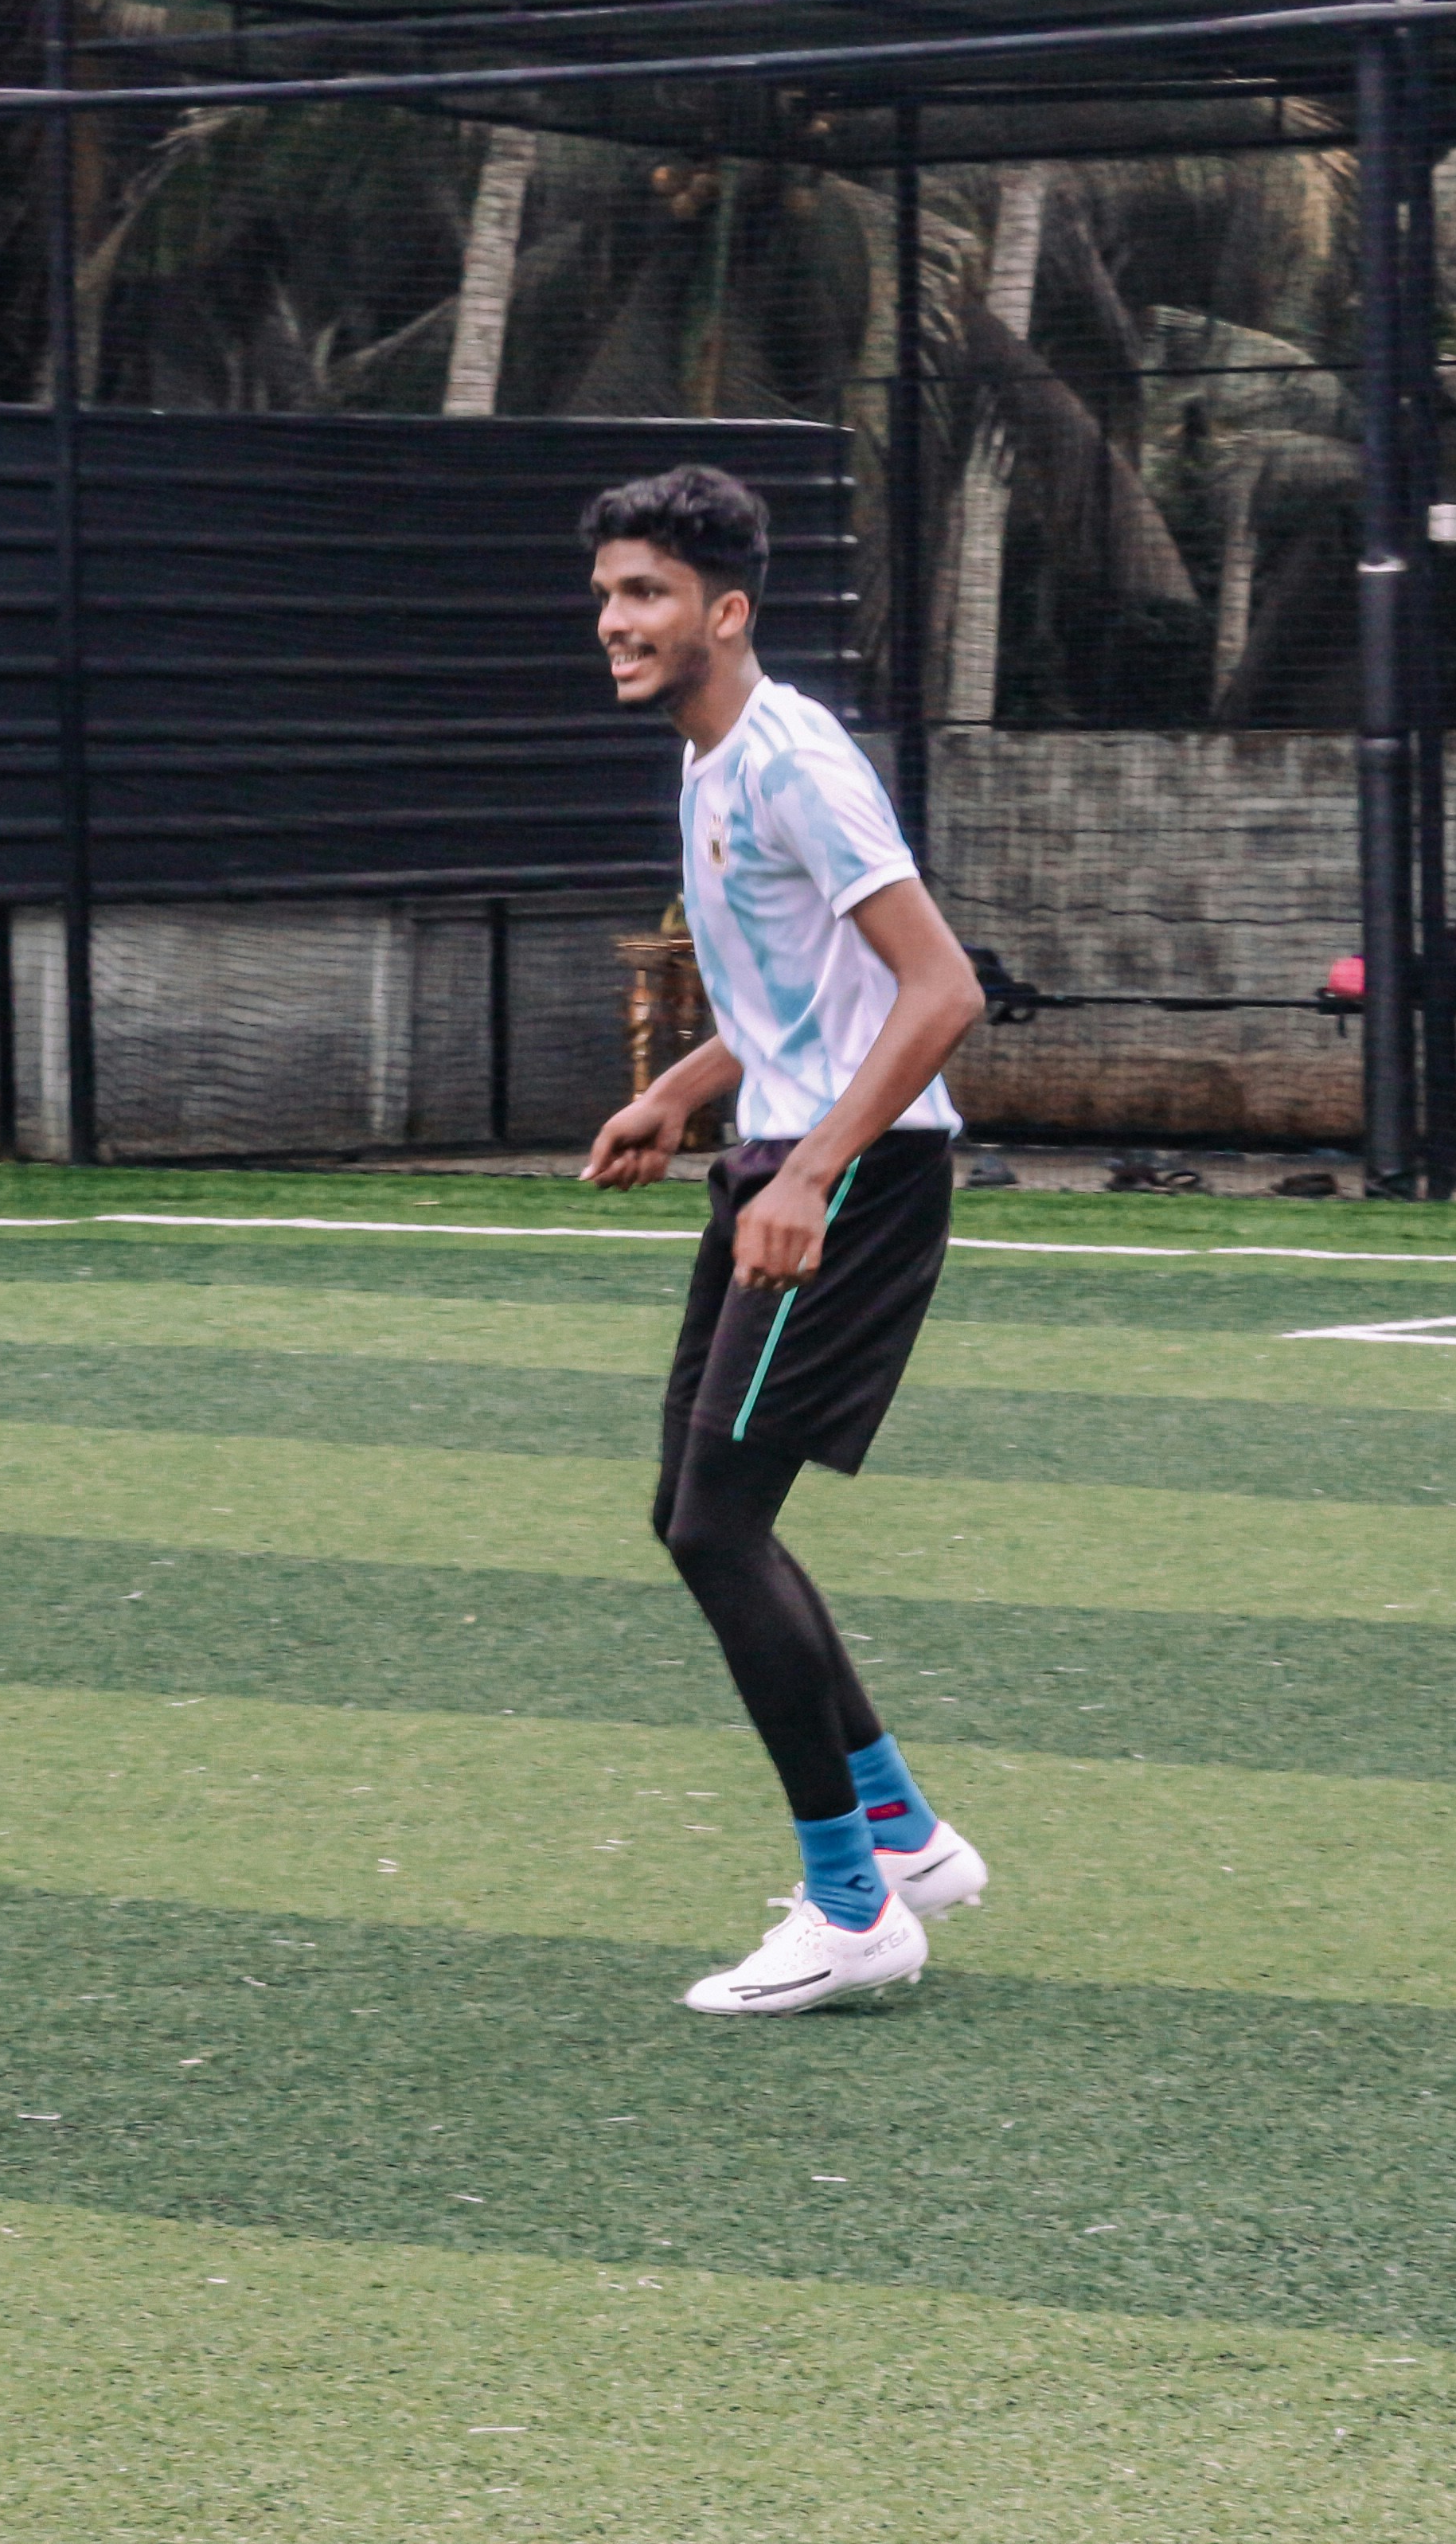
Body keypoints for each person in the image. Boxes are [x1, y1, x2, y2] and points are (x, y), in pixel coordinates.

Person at [577, 466, 993, 2013]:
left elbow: (941, 989)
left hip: (856, 1177)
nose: (616, 620)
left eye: (648, 595)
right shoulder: (709, 759)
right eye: (611, 592)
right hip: (781, 1155)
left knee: (715, 1527)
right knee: (698, 1510)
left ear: (726, 613)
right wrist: (684, 1092)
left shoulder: (791, 764)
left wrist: (812, 1174)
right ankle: (901, 1831)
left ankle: (855, 1905)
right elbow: (805, 998)